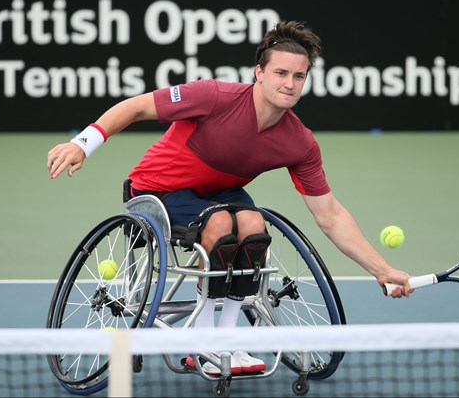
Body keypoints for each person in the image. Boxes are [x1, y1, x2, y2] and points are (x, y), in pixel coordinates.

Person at [47, 20, 412, 375]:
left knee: (255, 226)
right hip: (157, 189)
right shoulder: (214, 97)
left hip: (216, 194)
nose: (289, 84)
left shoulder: (299, 141)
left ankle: (221, 337)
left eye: (298, 76)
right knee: (221, 223)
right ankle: (202, 343)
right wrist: (83, 143)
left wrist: (381, 270)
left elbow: (330, 214)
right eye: (281, 73)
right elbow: (137, 106)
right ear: (260, 72)